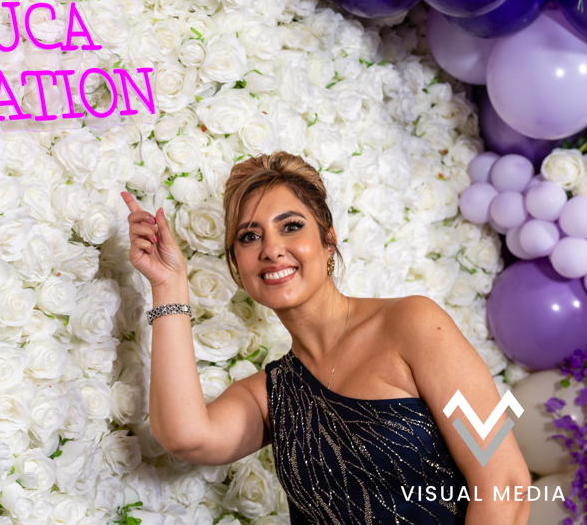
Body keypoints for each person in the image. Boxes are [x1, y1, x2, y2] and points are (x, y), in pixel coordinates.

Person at [120, 151, 531, 524]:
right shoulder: (271, 395)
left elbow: (505, 485)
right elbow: (187, 437)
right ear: (236, 266)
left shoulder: (413, 324)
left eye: (291, 226)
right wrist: (168, 286)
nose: (271, 249)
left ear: (328, 240)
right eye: (249, 236)